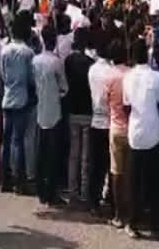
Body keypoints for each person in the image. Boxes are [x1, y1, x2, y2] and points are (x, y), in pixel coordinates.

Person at [121, 38, 159, 238]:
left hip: (135, 133)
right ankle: (155, 221)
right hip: (153, 132)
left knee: (133, 180)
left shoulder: (127, 77)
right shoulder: (155, 77)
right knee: (153, 179)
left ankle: (132, 222)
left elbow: (126, 105)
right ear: (146, 55)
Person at [0, 13, 35, 194]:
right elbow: (31, 78)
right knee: (17, 141)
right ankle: (19, 182)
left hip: (7, 97)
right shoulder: (28, 52)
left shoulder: (5, 50)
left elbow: (2, 75)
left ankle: (4, 179)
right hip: (21, 99)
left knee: (6, 141)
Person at [32, 25, 68, 207]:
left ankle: (40, 190)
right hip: (54, 111)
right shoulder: (56, 62)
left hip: (40, 110)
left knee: (41, 152)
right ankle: (51, 192)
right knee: (53, 155)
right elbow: (65, 88)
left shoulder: (35, 61)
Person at [102, 39, 130, 230]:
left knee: (117, 173)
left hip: (116, 128)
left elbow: (104, 102)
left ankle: (119, 214)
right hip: (133, 129)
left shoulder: (109, 77)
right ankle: (132, 213)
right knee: (131, 174)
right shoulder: (132, 75)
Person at [64, 27, 94, 204]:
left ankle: (72, 190)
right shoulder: (91, 63)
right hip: (87, 111)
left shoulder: (68, 61)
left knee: (73, 154)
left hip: (73, 111)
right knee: (85, 157)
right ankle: (84, 192)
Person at [87, 36, 114, 214]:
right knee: (108, 164)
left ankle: (93, 201)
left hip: (95, 119)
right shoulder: (110, 72)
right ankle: (108, 198)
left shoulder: (92, 69)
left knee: (95, 164)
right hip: (108, 121)